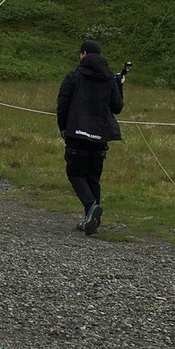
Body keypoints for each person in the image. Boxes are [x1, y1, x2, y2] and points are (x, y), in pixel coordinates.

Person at [56, 39, 124, 236]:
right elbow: (117, 107)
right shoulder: (109, 78)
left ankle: (91, 206)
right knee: (93, 177)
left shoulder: (74, 76)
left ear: (84, 54)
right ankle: (91, 220)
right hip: (101, 136)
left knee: (75, 174)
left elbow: (62, 105)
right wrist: (119, 86)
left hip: (77, 134)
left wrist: (63, 128)